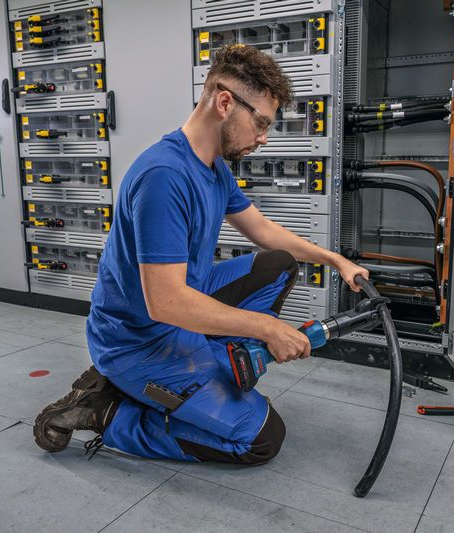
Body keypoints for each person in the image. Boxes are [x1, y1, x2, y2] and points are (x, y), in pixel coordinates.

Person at [33, 44, 369, 465]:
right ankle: (108, 411)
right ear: (225, 102)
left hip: (180, 302)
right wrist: (266, 328)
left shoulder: (212, 167)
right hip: (137, 336)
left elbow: (263, 230)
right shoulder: (164, 176)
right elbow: (165, 302)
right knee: (260, 439)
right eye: (261, 123)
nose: (263, 139)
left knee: (278, 265)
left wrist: (335, 260)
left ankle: (208, 374)